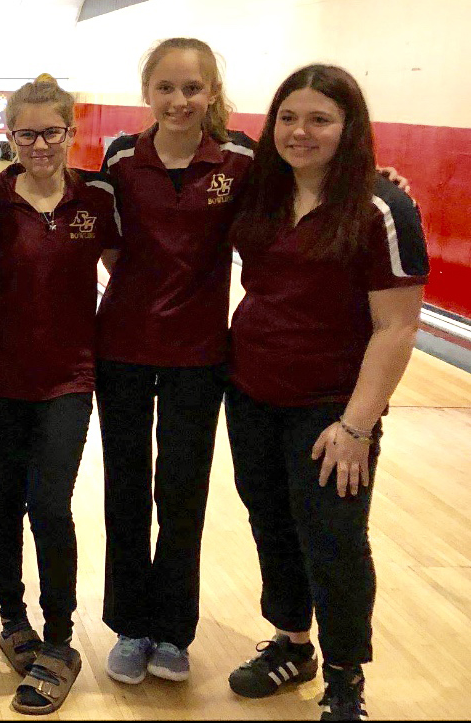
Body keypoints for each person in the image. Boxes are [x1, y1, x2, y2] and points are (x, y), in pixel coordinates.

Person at [223, 65, 426, 722]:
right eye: (288, 118)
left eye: (319, 119)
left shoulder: (380, 207)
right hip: (251, 391)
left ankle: (344, 676)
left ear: (349, 127)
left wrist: (357, 426)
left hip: (331, 409)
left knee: (334, 538)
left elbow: (396, 327)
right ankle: (291, 643)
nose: (300, 131)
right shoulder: (260, 190)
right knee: (271, 522)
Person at [94, 37, 257, 685]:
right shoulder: (121, 157)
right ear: (148, 93)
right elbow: (108, 245)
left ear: (212, 93)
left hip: (198, 354)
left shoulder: (241, 159)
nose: (179, 99)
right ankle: (130, 627)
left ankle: (173, 632)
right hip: (124, 348)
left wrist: (382, 179)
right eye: (166, 87)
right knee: (126, 492)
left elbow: (309, 184)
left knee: (182, 495)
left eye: (192, 88)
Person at [0, 77, 119, 715]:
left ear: (69, 131)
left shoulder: (98, 198)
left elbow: (137, 266)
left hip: (70, 375)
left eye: (51, 132)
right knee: (4, 497)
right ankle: (14, 623)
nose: (38, 143)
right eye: (25, 133)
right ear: (9, 136)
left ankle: (59, 640)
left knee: (50, 504)